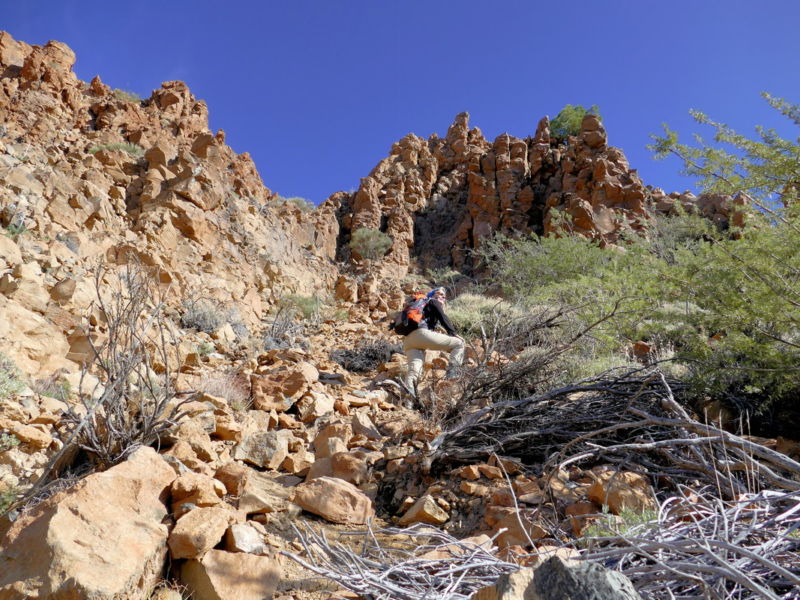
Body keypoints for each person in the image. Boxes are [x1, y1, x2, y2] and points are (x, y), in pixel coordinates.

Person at [402, 287, 465, 395]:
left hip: (409, 341)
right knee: (459, 344)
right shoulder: (432, 301)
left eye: (444, 295)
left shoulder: (421, 306)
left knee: (414, 370)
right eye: (439, 293)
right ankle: (453, 374)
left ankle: (408, 399)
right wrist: (453, 333)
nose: (442, 296)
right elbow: (443, 317)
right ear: (432, 295)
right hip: (422, 335)